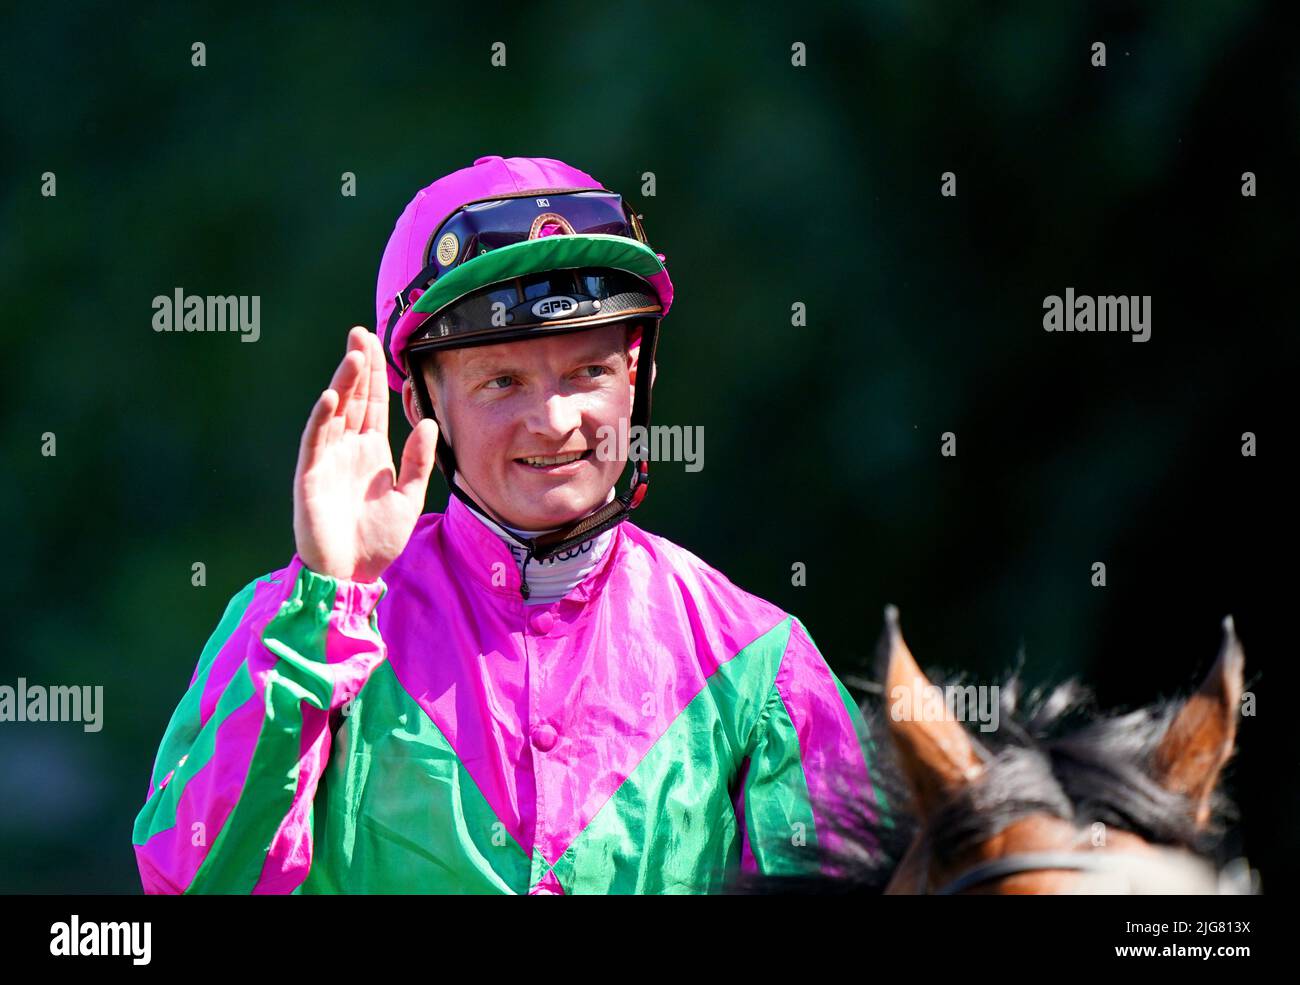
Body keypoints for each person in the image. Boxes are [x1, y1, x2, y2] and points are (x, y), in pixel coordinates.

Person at [132, 154, 889, 894]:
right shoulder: (300, 623)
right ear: (422, 408)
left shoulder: (760, 662)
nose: (555, 421)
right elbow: (192, 879)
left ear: (639, 376)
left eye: (588, 371)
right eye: (502, 381)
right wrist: (327, 603)